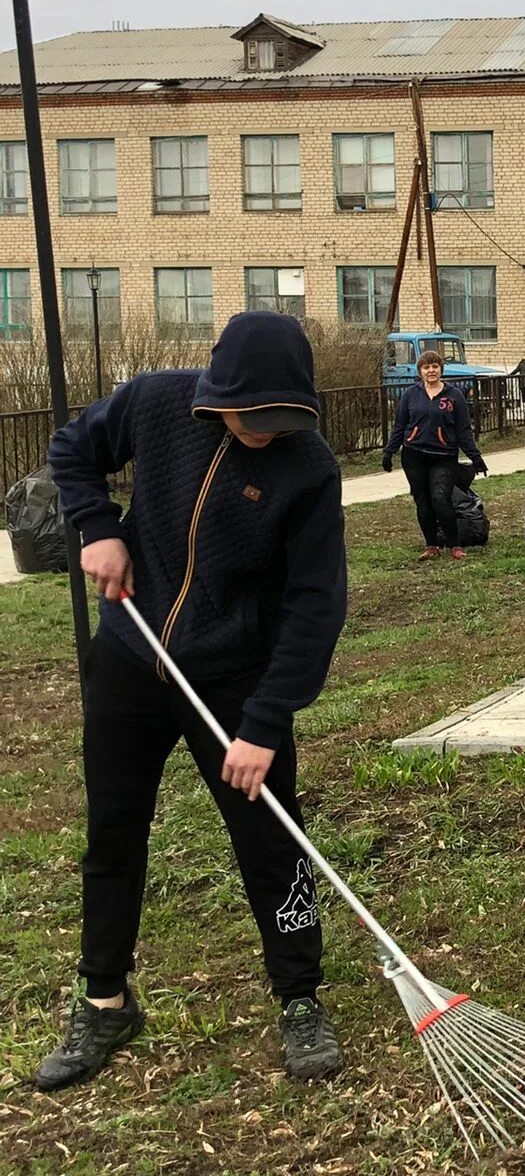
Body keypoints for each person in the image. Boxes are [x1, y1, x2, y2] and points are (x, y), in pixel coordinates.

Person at [38, 310, 348, 1090]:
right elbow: (73, 448)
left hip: (234, 677)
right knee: (113, 832)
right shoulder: (154, 402)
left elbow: (316, 604)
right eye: (253, 415)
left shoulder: (307, 466)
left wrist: (266, 722)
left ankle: (301, 999)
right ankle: (104, 1000)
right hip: (131, 657)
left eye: (284, 418)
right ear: (216, 395)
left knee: (273, 841)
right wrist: (97, 526)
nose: (266, 432)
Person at [382, 349, 487, 560]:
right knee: (422, 500)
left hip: (444, 455)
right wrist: (389, 452)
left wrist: (475, 457)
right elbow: (400, 425)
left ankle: (454, 545)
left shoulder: (454, 395)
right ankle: (431, 545)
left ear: (441, 369)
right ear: (420, 371)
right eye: (426, 367)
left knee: (440, 498)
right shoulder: (411, 394)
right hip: (414, 455)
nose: (431, 370)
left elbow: (463, 430)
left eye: (435, 366)